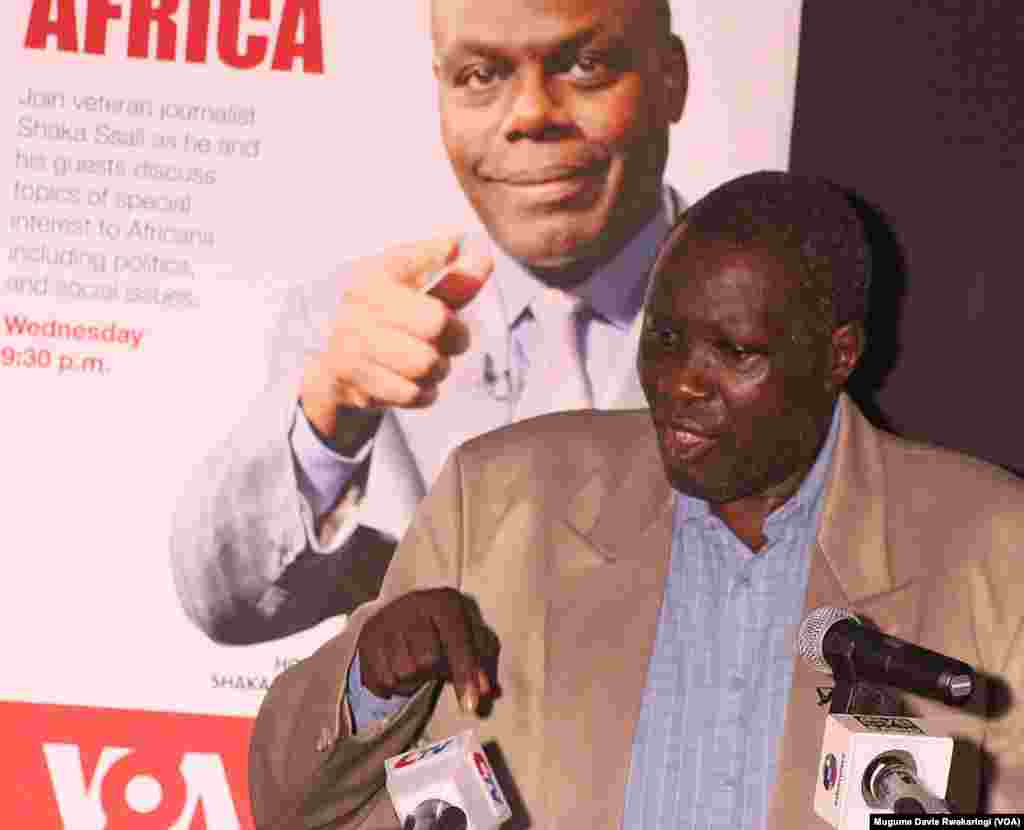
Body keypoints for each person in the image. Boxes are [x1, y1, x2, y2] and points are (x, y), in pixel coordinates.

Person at [248, 171, 1024, 829]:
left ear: (838, 356)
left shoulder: (988, 544)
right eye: (666, 339)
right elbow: (285, 802)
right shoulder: (499, 498)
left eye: (736, 352)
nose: (684, 381)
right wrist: (371, 681)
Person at [169, 0, 689, 644]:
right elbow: (230, 603)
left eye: (585, 65)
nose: (529, 114)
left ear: (673, 80)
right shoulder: (357, 330)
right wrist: (331, 414)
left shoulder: (797, 319)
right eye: (480, 76)